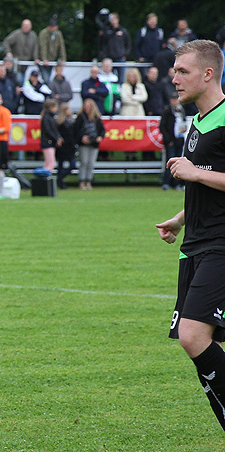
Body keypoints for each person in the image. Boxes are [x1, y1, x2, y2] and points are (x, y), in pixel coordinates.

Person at [155, 39, 225, 433]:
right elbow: (209, 184)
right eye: (174, 71)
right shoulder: (198, 121)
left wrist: (194, 172)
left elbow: (202, 175)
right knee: (202, 343)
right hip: (195, 244)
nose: (175, 78)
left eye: (183, 71)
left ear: (208, 74)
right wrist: (181, 219)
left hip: (220, 244)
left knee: (193, 335)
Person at [73, 98, 106, 190]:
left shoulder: (96, 117)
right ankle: (81, 181)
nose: (87, 108)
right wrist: (81, 138)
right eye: (86, 106)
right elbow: (75, 130)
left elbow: (102, 130)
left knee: (91, 163)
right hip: (83, 144)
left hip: (94, 143)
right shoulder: (80, 117)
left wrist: (100, 137)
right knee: (84, 162)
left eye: (89, 106)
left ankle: (88, 181)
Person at [159, 91, 186, 191]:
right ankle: (166, 182)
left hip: (179, 139)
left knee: (178, 162)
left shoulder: (181, 110)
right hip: (170, 140)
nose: (175, 101)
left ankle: (176, 183)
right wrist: (168, 139)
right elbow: (162, 126)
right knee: (169, 161)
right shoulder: (167, 111)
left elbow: (184, 123)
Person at [3, 19, 39, 84]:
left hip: (28, 65)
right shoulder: (16, 34)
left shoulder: (33, 36)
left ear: (30, 27)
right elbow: (6, 42)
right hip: (17, 64)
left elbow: (35, 48)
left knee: (27, 82)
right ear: (22, 26)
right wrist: (8, 52)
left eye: (27, 26)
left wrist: (36, 58)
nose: (26, 27)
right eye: (24, 25)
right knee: (19, 81)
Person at [101, 13, 131, 82]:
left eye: (114, 19)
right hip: (110, 58)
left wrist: (125, 55)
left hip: (120, 58)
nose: (112, 21)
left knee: (121, 78)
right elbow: (103, 43)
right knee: (110, 78)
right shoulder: (107, 31)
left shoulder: (123, 31)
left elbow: (128, 44)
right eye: (111, 20)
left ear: (117, 20)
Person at [37, 19, 67, 84]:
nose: (55, 30)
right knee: (46, 79)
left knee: (48, 78)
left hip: (51, 60)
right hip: (42, 61)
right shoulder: (43, 33)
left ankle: (46, 88)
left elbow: (61, 46)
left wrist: (63, 59)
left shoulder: (58, 34)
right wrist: (44, 59)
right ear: (49, 27)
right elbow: (43, 47)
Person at [55, 102, 76, 189]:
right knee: (60, 164)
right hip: (62, 146)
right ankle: (60, 182)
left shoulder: (72, 121)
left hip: (70, 145)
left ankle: (59, 178)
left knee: (72, 164)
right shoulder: (59, 122)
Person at [39, 99, 60, 172]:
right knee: (51, 164)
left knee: (48, 163)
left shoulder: (50, 117)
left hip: (49, 142)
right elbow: (49, 130)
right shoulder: (47, 118)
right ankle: (44, 176)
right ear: (51, 107)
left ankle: (45, 176)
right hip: (47, 142)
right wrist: (56, 138)